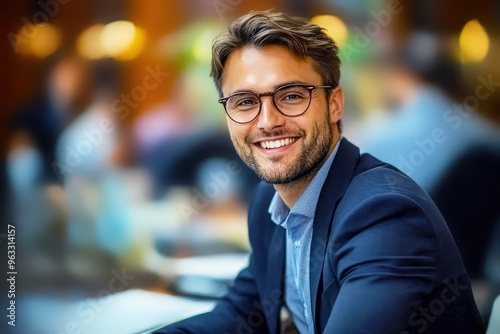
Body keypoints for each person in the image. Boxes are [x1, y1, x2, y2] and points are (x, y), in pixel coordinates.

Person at [155, 11, 484, 333]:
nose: (268, 122)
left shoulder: (385, 215)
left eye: (292, 96)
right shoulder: (269, 200)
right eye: (245, 102)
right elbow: (242, 312)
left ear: (335, 104)